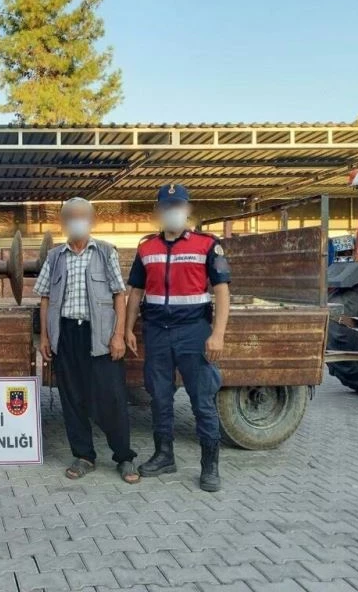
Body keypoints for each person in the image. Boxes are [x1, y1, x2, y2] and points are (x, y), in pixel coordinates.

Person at [125, 184, 230, 492]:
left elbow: (222, 292)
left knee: (202, 400)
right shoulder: (146, 248)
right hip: (156, 332)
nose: (173, 211)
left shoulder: (207, 245)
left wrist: (218, 334)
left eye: (178, 206)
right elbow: (135, 292)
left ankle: (210, 466)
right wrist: (129, 328)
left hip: (193, 333)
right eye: (167, 206)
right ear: (158, 211)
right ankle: (164, 455)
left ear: (187, 209)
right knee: (159, 397)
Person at [34, 197, 139, 483]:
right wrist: (45, 337)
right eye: (71, 217)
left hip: (101, 336)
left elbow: (120, 294)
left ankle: (124, 457)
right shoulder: (55, 257)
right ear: (63, 222)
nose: (77, 221)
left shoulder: (106, 252)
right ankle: (83, 455)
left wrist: (117, 335)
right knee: (72, 399)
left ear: (92, 221)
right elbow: (44, 297)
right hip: (67, 336)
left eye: (83, 216)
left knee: (111, 399)